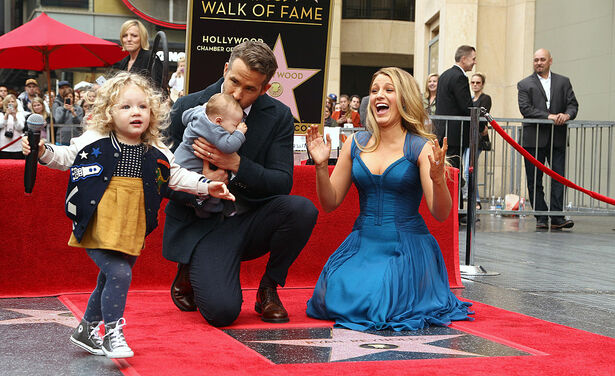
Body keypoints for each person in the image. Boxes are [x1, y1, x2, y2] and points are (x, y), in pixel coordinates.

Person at [21, 72, 235, 359]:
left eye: (142, 106)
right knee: (119, 273)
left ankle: (85, 330)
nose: (136, 112)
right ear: (109, 111)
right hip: (98, 221)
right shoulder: (95, 139)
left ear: (153, 112)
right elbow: (65, 157)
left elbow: (176, 176)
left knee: (108, 278)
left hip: (133, 223)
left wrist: (207, 186)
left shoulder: (155, 149)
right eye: (126, 106)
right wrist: (42, 150)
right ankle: (112, 333)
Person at [305, 67, 473, 331]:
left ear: (404, 99)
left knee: (379, 301)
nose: (378, 96)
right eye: (374, 91)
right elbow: (330, 202)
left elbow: (441, 213)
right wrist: (320, 166)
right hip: (362, 244)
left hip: (406, 247)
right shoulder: (355, 143)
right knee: (330, 295)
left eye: (388, 90)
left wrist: (439, 179)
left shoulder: (421, 146)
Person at [163, 40, 318, 327]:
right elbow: (160, 177)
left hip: (249, 219)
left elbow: (282, 183)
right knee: (222, 313)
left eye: (250, 89)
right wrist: (200, 186)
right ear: (225, 69)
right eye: (233, 81)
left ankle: (269, 288)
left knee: (302, 209)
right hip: (202, 224)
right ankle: (189, 264)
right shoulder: (188, 106)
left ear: (265, 88)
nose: (238, 93)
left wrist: (236, 165)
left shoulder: (279, 116)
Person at [517, 48, 578, 230]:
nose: (539, 63)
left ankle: (557, 217)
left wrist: (566, 115)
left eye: (542, 59)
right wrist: (550, 116)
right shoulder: (524, 84)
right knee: (534, 179)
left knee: (559, 177)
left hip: (557, 138)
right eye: (536, 60)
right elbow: (525, 109)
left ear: (550, 61)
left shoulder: (563, 82)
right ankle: (541, 217)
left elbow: (573, 105)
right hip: (533, 139)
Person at [174, 93, 247, 217]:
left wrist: (204, 108)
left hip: (180, 159)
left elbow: (185, 117)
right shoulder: (214, 129)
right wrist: (240, 133)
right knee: (211, 186)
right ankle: (210, 209)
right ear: (218, 121)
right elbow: (228, 146)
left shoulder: (200, 113)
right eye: (234, 125)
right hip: (191, 166)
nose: (235, 128)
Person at [435, 45, 476, 223]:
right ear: (464, 59)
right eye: (473, 58)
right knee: (455, 172)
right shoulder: (459, 77)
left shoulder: (444, 75)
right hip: (455, 134)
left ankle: (453, 209)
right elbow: (465, 105)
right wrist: (479, 122)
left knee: (449, 171)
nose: (475, 62)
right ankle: (457, 211)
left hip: (444, 132)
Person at [462, 72, 492, 209]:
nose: (475, 85)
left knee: (469, 170)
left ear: (483, 84)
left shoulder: (486, 98)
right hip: (467, 138)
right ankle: (474, 199)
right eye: (472, 82)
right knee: (467, 170)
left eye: (478, 82)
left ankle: (476, 200)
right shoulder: (469, 98)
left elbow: (480, 115)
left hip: (477, 139)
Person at [113, 20, 162, 85]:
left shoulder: (150, 57)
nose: (129, 39)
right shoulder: (124, 61)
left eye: (134, 36)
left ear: (142, 38)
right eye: (125, 36)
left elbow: (158, 89)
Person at [0, 94, 26, 159]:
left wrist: (15, 117)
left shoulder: (20, 114)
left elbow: (20, 127)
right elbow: (1, 125)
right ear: (5, 103)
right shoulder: (1, 114)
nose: (10, 103)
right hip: (4, 145)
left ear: (16, 103)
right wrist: (6, 115)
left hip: (17, 145)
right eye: (8, 102)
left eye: (12, 101)